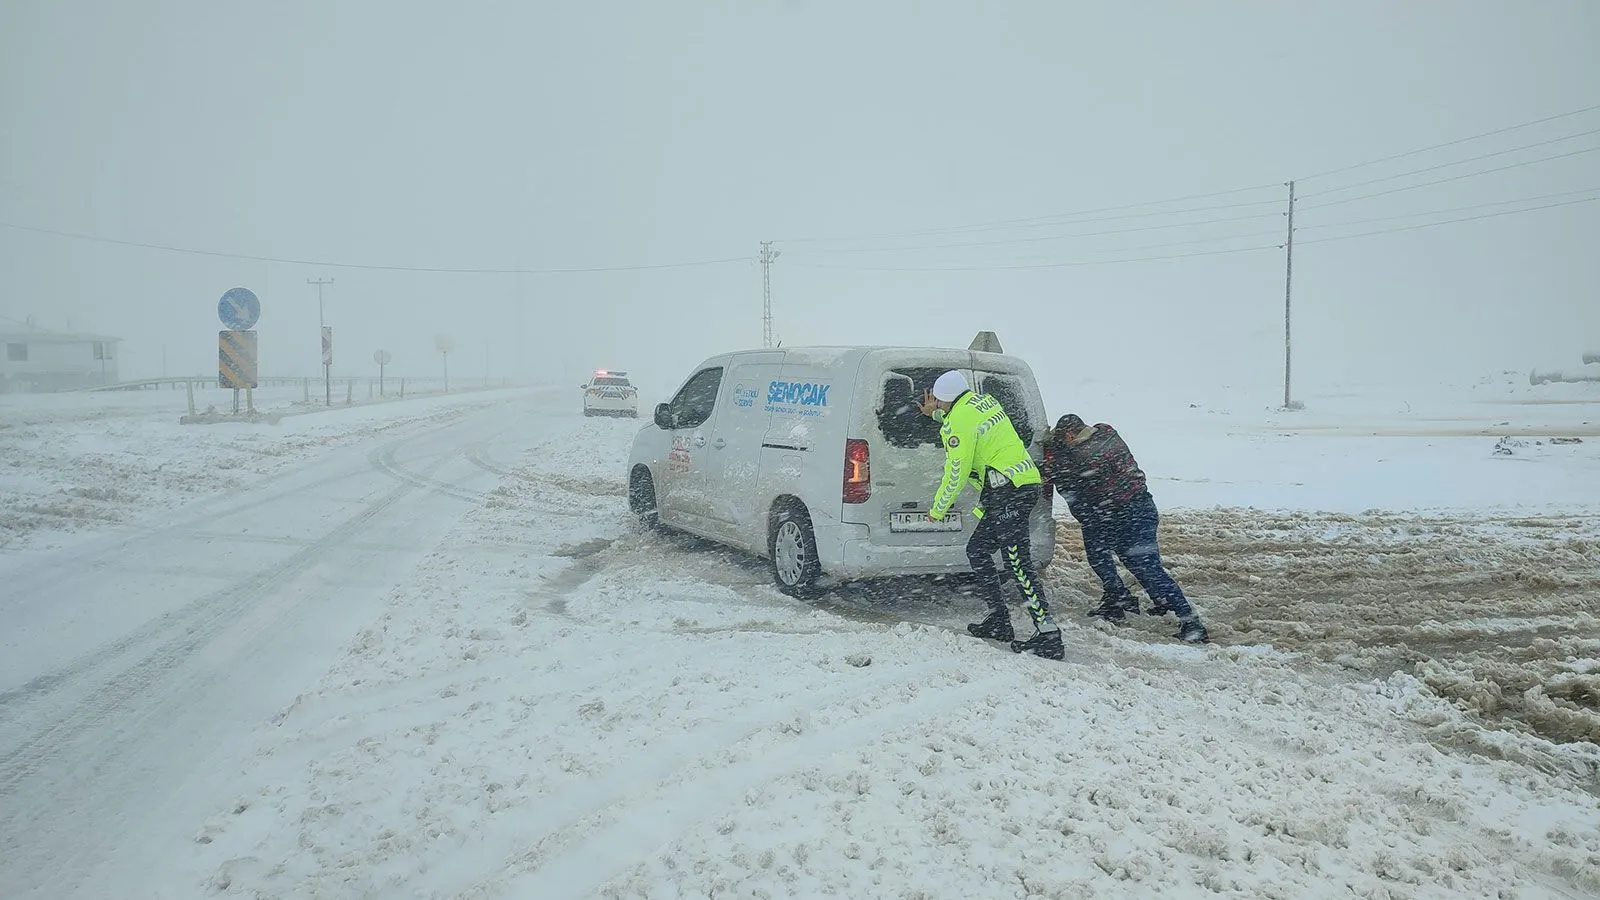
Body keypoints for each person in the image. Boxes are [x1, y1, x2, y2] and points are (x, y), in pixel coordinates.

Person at [918, 370, 1063, 660]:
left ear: (943, 398)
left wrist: (938, 509)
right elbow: (964, 422)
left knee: (1017, 562)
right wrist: (936, 415)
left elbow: (956, 473)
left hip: (1008, 491)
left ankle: (1049, 634)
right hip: (1020, 484)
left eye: (937, 398)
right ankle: (999, 619)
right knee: (978, 549)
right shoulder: (983, 402)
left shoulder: (958, 422)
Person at [1046, 414, 1209, 643]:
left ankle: (1192, 623)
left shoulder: (1085, 457)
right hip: (1136, 507)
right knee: (1124, 558)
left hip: (1128, 512)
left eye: (1063, 440)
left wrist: (1051, 454)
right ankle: (1136, 600)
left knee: (1146, 566)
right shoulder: (1106, 431)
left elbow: (1069, 469)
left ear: (1070, 436)